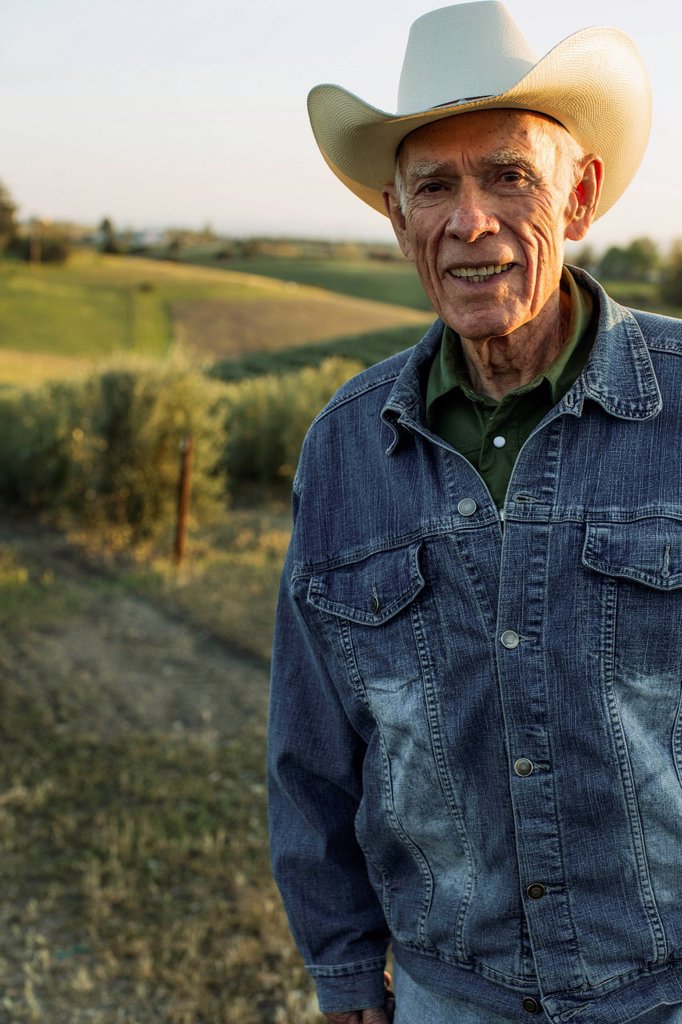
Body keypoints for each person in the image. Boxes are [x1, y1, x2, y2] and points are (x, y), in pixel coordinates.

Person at [268, 3, 682, 1022]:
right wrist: (339, 961)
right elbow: (311, 745)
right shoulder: (346, 447)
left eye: (507, 176)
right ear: (395, 214)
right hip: (450, 993)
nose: (470, 222)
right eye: (435, 186)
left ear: (577, 194)